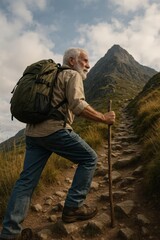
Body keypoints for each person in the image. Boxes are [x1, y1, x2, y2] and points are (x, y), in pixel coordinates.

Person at [0, 48, 115, 240]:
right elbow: (78, 105)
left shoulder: (50, 76)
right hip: (55, 131)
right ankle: (73, 207)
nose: (88, 65)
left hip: (32, 134)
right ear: (72, 61)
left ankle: (10, 233)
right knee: (89, 158)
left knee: (26, 182)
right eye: (85, 61)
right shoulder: (72, 75)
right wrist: (104, 118)